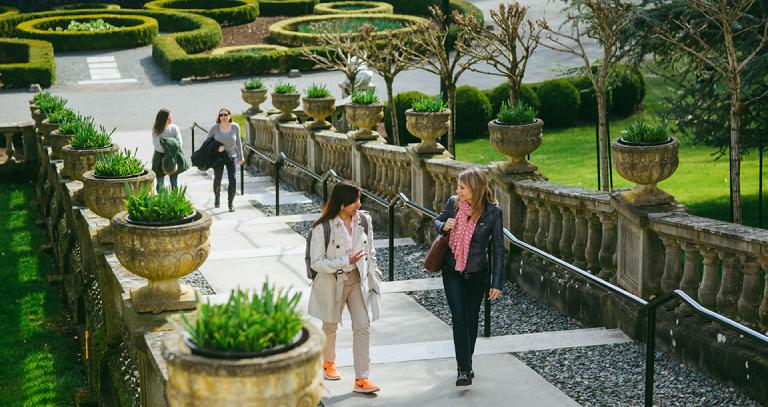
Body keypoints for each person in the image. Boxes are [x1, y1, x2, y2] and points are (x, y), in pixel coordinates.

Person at [307, 181, 382, 394]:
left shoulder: (364, 220)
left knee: (362, 325)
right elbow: (316, 263)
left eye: (359, 200)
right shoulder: (323, 227)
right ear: (341, 204)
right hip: (332, 281)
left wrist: (373, 272)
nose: (358, 204)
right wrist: (345, 260)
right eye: (354, 201)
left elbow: (371, 250)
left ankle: (362, 379)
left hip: (357, 280)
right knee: (330, 325)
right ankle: (328, 362)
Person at [433, 167, 504, 387]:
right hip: (452, 269)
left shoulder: (493, 212)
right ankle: (463, 369)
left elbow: (499, 250)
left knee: (472, 320)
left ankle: (467, 362)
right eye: (458, 187)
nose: (458, 190)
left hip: (477, 273)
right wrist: (444, 226)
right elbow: (436, 222)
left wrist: (496, 283)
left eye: (462, 187)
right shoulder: (453, 203)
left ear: (475, 188)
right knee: (459, 319)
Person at [207, 107, 243, 212]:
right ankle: (217, 198)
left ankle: (230, 203)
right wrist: (217, 147)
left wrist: (241, 156)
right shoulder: (215, 128)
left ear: (229, 116)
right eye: (221, 115)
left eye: (225, 115)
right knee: (218, 178)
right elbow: (207, 142)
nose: (223, 117)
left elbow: (238, 143)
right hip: (218, 157)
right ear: (219, 117)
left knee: (233, 179)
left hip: (231, 156)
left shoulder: (235, 127)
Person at [151, 109, 183, 192]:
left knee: (174, 183)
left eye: (171, 117)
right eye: (168, 118)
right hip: (159, 157)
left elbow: (179, 144)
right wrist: (171, 145)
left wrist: (165, 144)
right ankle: (161, 200)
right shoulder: (156, 129)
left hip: (173, 157)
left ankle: (174, 202)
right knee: (160, 183)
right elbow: (157, 146)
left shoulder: (174, 128)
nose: (170, 120)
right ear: (162, 119)